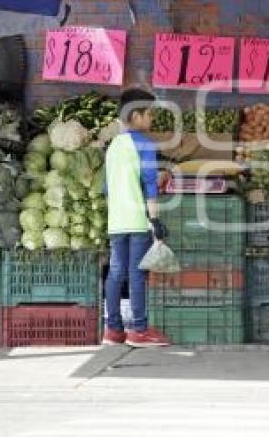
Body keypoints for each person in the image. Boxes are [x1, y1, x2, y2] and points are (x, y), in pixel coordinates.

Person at [103, 88, 171, 348]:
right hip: (137, 219)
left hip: (116, 220)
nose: (151, 119)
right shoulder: (143, 143)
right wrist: (155, 221)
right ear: (137, 115)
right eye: (150, 114)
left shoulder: (113, 146)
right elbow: (150, 184)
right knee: (136, 274)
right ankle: (140, 330)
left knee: (116, 273)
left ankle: (113, 330)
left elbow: (107, 188)